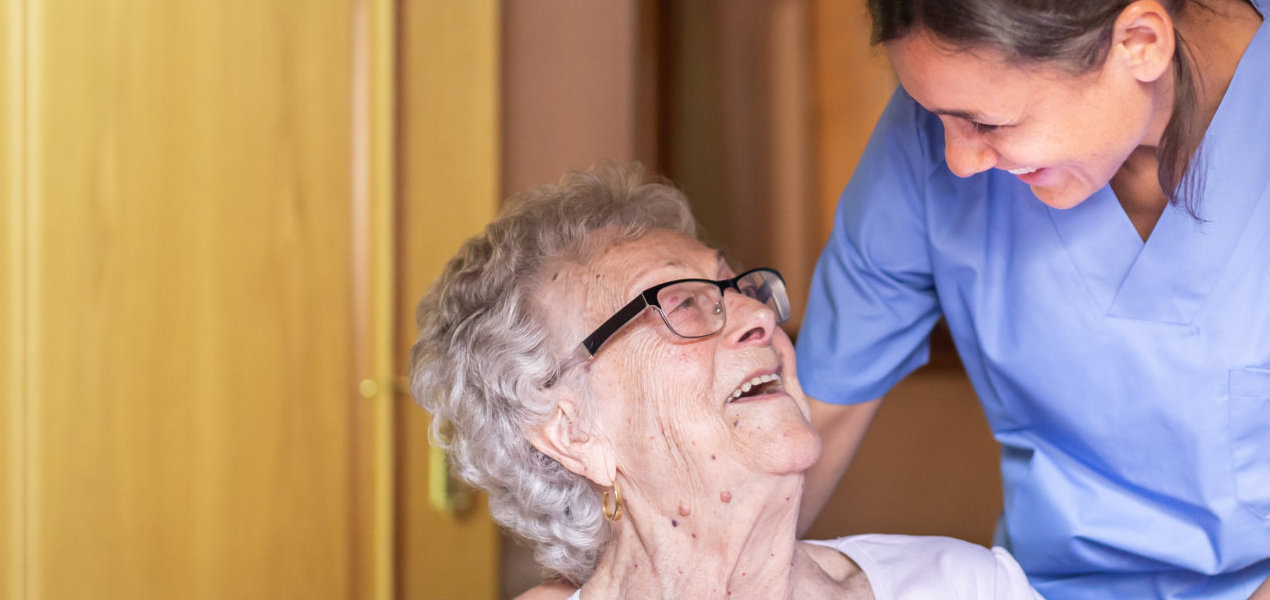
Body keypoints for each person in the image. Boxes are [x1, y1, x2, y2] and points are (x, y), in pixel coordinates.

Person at [797, 1, 1270, 599]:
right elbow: (816, 418)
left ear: (1140, 42)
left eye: (990, 126)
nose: (955, 160)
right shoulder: (933, 129)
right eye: (936, 117)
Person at [409, 163, 1045, 599]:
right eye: (679, 304)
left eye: (737, 286)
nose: (760, 315)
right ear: (572, 431)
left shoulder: (965, 585)